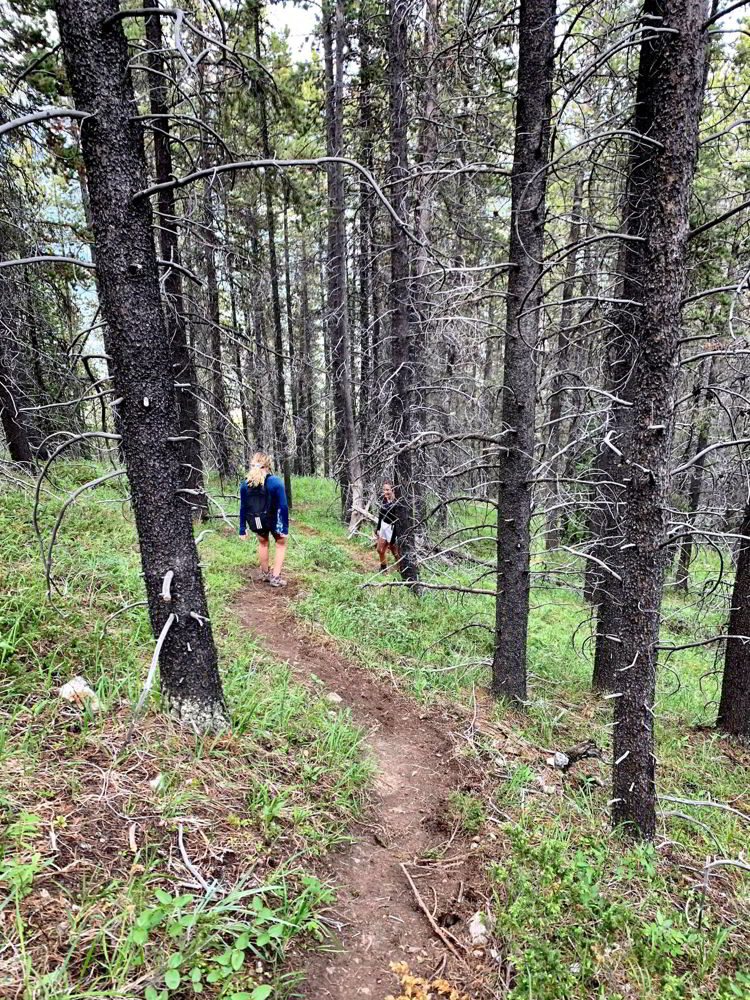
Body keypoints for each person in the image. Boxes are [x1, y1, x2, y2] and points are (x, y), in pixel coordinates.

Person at [239, 452, 289, 587]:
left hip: (257, 520)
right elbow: (283, 506)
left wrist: (242, 529)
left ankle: (265, 575)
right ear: (267, 466)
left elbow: (243, 507)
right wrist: (284, 528)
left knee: (263, 544)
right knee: (280, 544)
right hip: (274, 520)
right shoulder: (275, 482)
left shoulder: (245, 484)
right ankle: (276, 578)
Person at [373, 482, 403, 573]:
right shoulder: (385, 499)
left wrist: (393, 538)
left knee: (395, 552)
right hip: (383, 526)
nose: (385, 492)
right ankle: (384, 569)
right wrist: (378, 528)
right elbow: (381, 514)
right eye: (384, 490)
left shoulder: (397, 503)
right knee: (379, 549)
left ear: (393, 490)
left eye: (387, 490)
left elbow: (397, 521)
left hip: (392, 529)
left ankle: (400, 571)